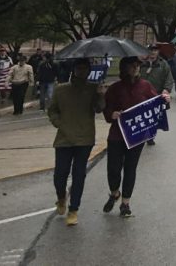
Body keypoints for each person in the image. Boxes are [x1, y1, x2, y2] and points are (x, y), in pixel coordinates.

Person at [103, 56, 168, 218]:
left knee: (130, 169)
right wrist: (112, 114)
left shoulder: (145, 86)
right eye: (132, 66)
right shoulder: (115, 88)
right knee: (113, 169)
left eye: (137, 66)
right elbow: (106, 111)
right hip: (117, 135)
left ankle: (125, 203)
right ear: (124, 68)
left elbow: (156, 104)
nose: (136, 68)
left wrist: (165, 100)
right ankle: (114, 192)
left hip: (136, 136)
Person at [47, 58, 106, 226]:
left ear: (89, 71)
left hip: (84, 138)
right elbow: (52, 110)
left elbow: (99, 109)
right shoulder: (61, 90)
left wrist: (101, 95)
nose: (82, 71)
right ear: (74, 70)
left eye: (85, 68)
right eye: (79, 68)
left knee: (79, 175)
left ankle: (74, 209)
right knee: (60, 174)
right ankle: (61, 198)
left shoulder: (93, 89)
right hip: (64, 138)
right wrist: (59, 123)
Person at [140, 46, 174, 146]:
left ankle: (150, 136)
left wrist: (166, 89)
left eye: (155, 50)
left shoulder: (163, 64)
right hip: (142, 95)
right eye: (151, 50)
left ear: (158, 52)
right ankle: (141, 135)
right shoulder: (142, 63)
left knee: (153, 117)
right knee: (142, 116)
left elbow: (169, 78)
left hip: (156, 95)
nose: (153, 52)